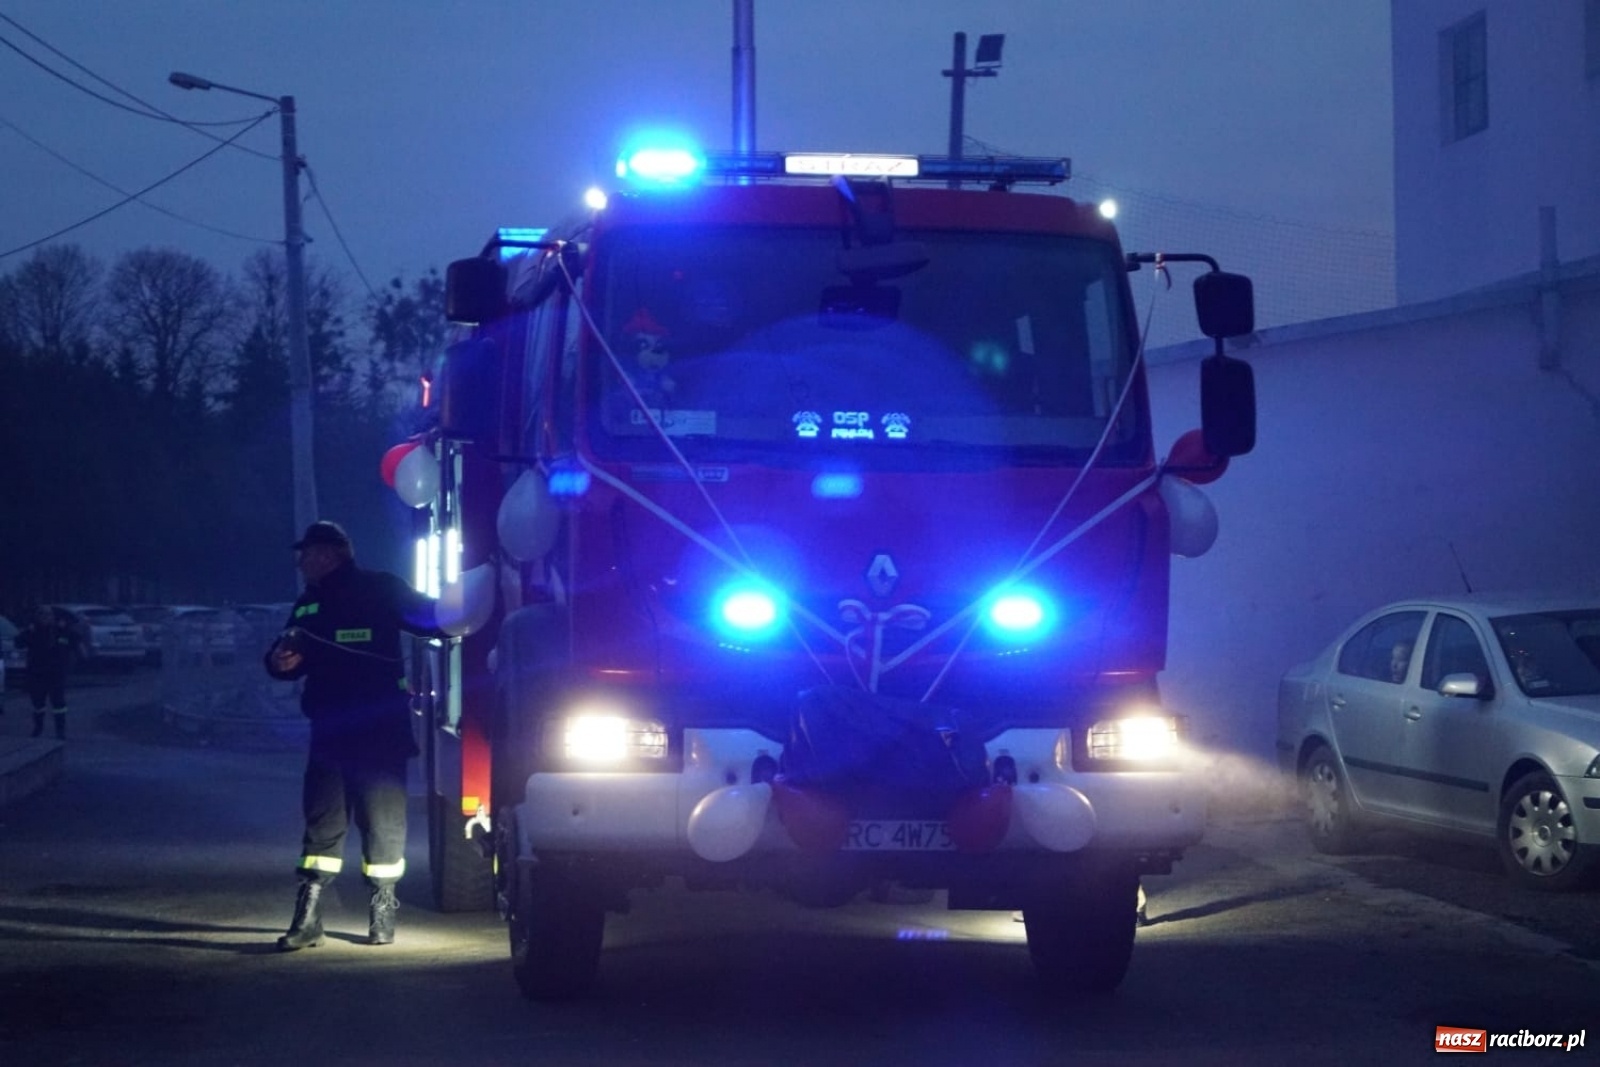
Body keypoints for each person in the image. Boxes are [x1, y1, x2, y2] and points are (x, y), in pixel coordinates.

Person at [265, 521, 444, 951]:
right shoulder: (308, 604)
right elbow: (283, 653)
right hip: (330, 729)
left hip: (381, 730)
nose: (301, 562)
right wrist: (279, 662)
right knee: (322, 819)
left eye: (307, 554)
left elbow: (433, 621)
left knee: (383, 821)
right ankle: (309, 915)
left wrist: (465, 607)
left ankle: (383, 907)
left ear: (331, 554)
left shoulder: (382, 588)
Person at [16, 606, 80, 739]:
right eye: (42, 615)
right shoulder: (33, 631)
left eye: (48, 615)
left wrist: (66, 627)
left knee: (59, 704)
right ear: (37, 617)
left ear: (53, 617)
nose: (45, 617)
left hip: (56, 674)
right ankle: (38, 728)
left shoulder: (60, 631)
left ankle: (60, 731)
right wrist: (28, 631)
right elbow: (18, 643)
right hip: (37, 673)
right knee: (38, 703)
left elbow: (76, 640)